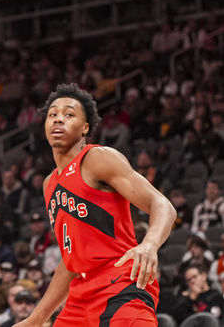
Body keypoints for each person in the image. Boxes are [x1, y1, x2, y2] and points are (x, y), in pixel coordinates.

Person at [15, 83, 176, 327]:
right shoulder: (49, 184)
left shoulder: (98, 158)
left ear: (85, 127)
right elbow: (71, 262)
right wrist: (35, 319)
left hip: (121, 283)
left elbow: (162, 204)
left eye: (69, 114)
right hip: (80, 296)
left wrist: (150, 245)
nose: (59, 119)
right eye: (53, 114)